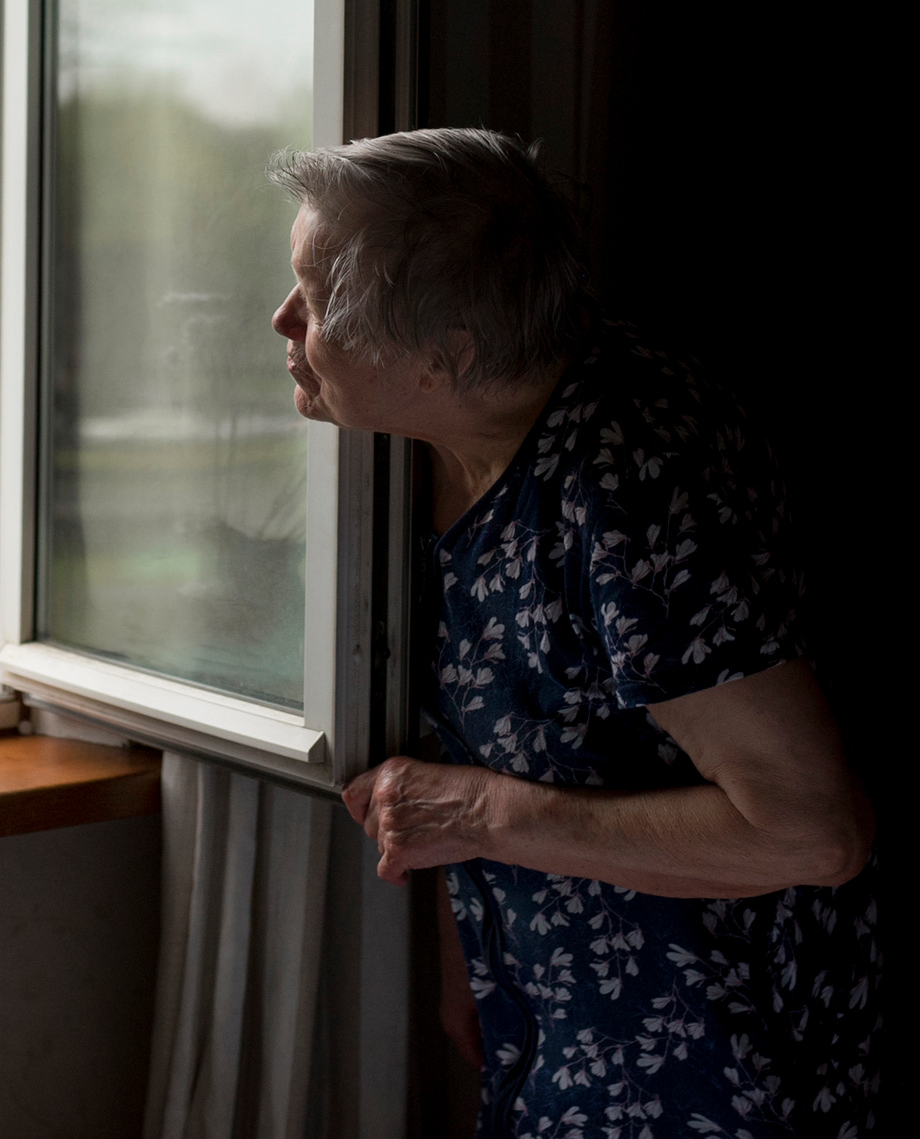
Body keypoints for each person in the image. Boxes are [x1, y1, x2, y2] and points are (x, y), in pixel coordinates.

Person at [269, 128, 879, 1138]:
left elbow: (813, 832)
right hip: (554, 1019)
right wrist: (468, 956)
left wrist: (476, 815)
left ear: (443, 356)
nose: (282, 319)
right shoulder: (416, 452)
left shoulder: (632, 481)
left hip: (712, 1053)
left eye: (317, 298)